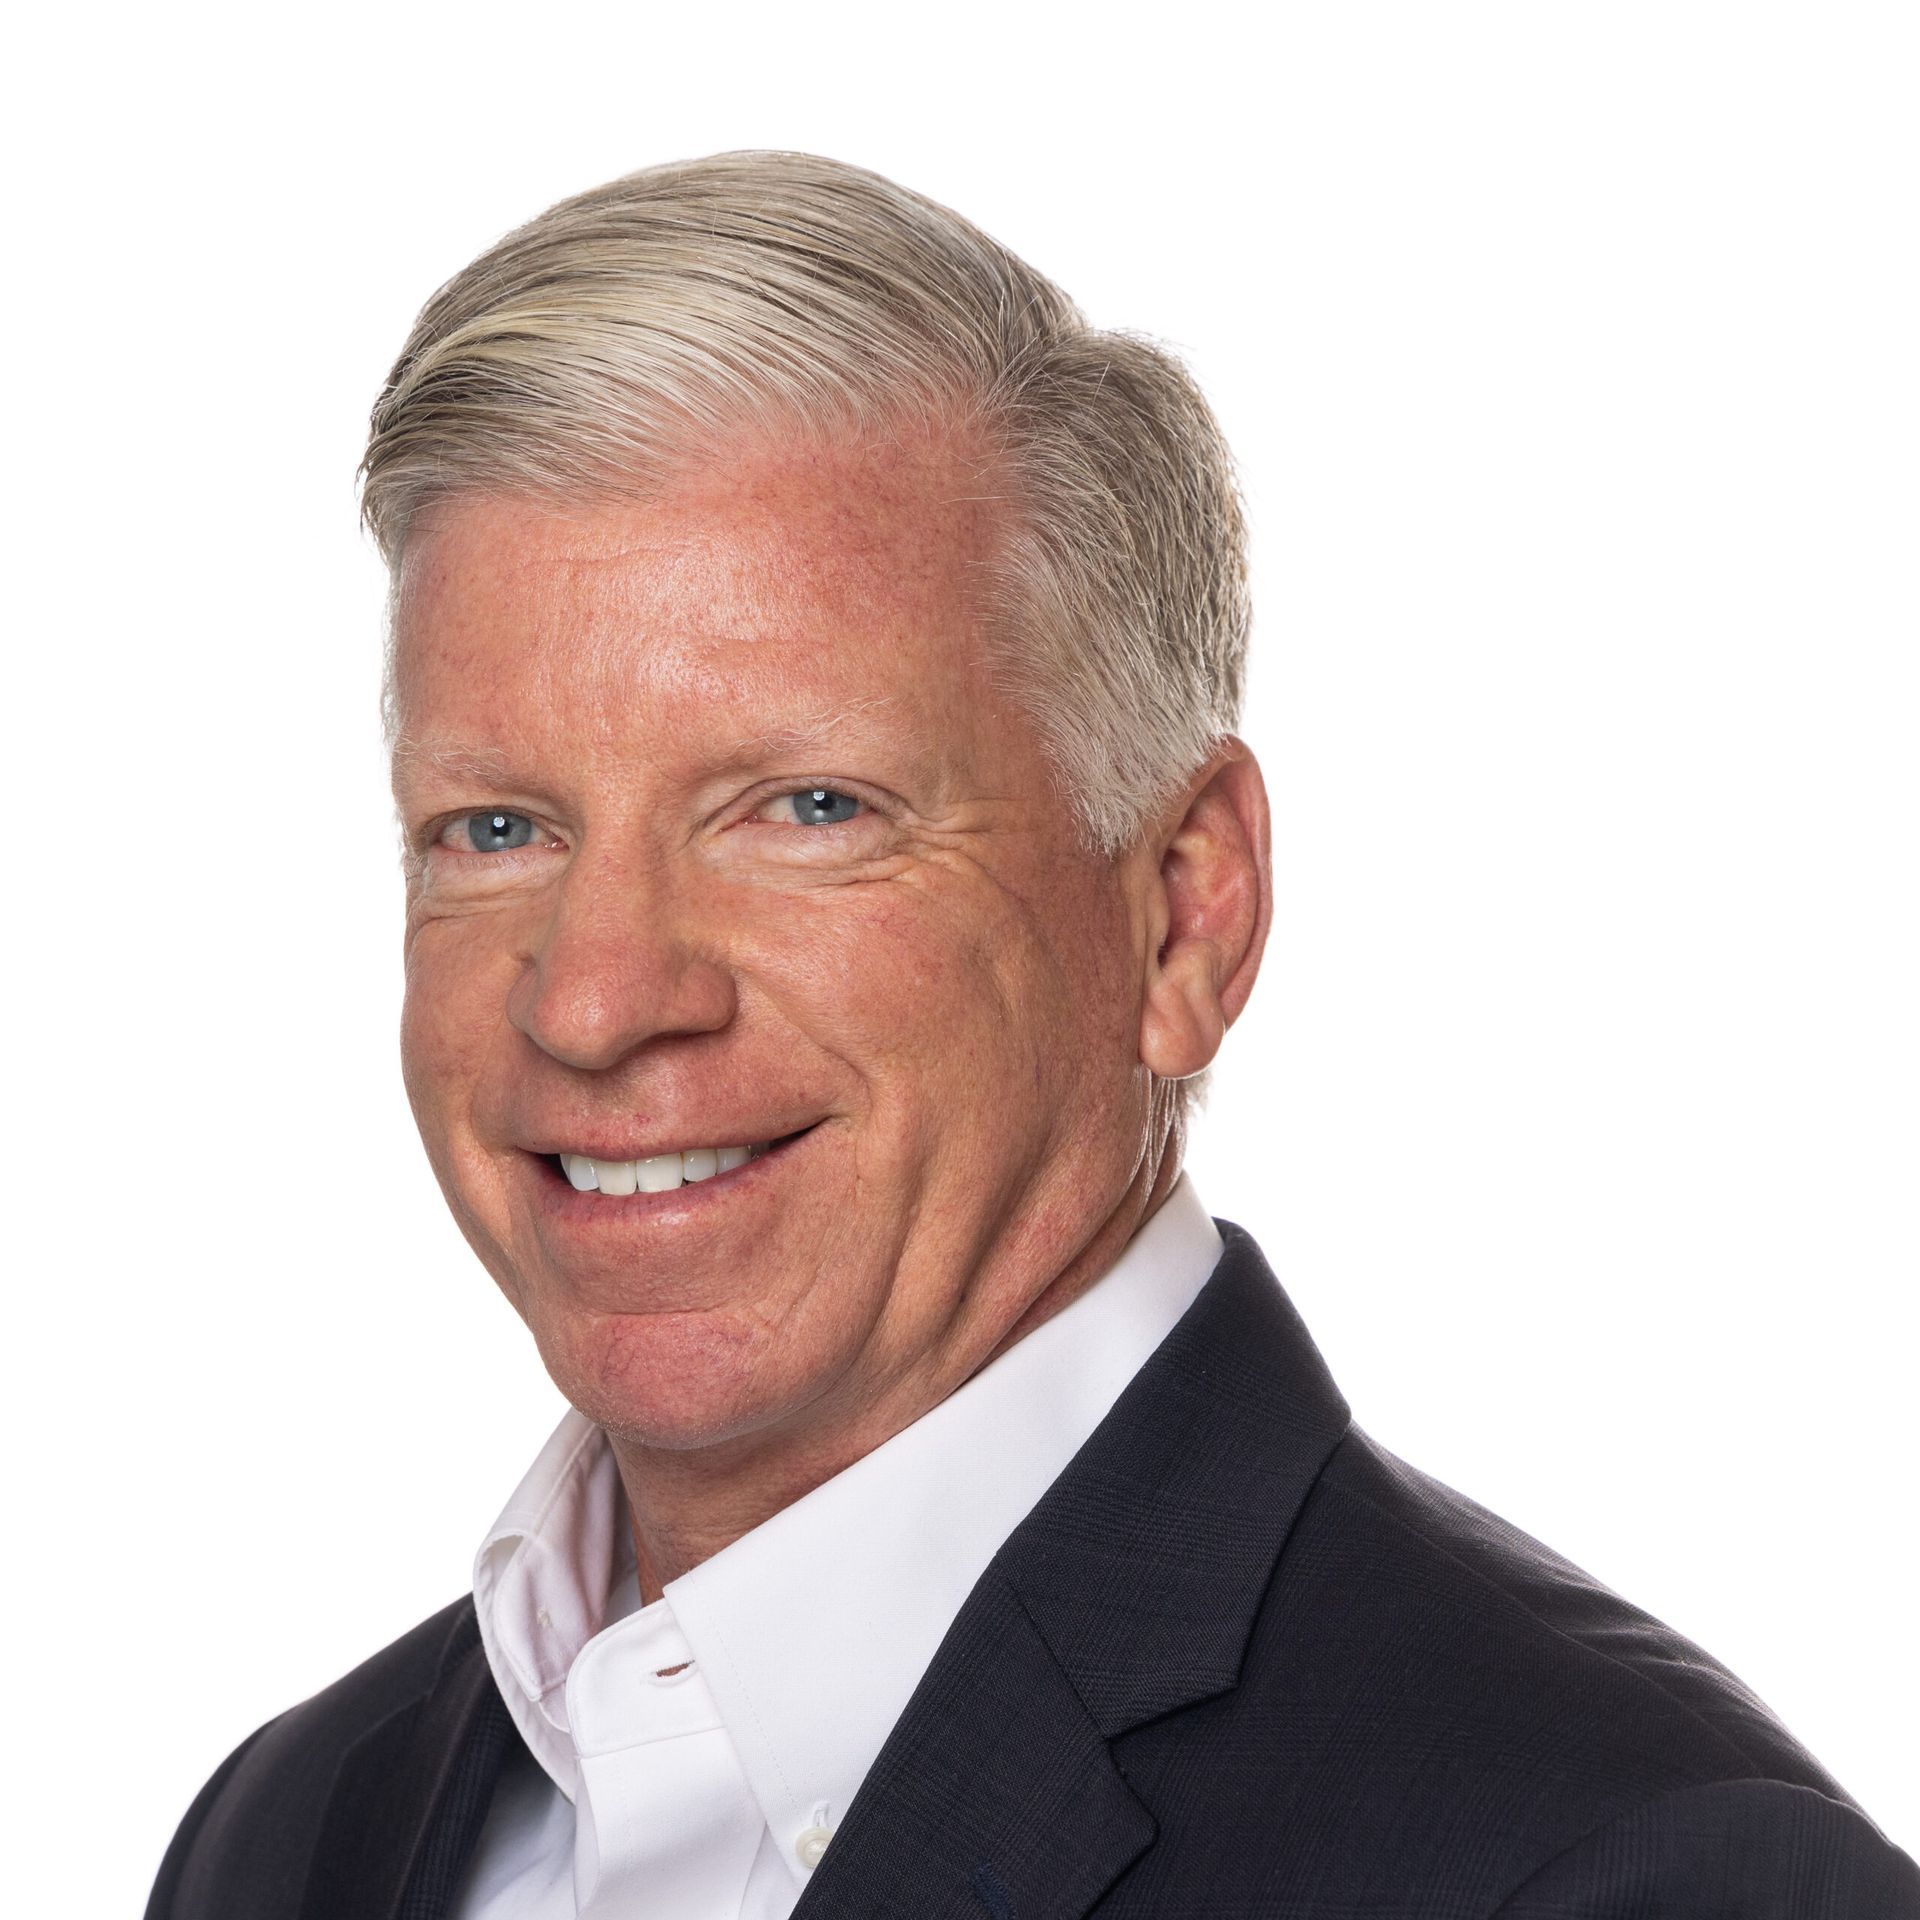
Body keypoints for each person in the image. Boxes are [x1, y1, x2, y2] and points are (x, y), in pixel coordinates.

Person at [146, 150, 1917, 1920]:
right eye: (498, 830)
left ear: (1181, 912)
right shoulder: (294, 1835)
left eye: (809, 807)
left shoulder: (1632, 1872)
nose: (596, 1001)